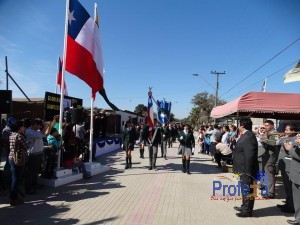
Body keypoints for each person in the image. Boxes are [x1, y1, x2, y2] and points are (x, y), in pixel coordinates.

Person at [233, 117, 258, 217]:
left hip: (246, 169)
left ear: (242, 125)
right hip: (242, 168)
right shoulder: (245, 135)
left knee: (248, 189)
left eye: (238, 124)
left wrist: (248, 171)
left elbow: (250, 155)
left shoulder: (248, 136)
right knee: (245, 189)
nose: (238, 126)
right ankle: (244, 206)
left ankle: (247, 211)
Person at [277, 124, 297, 213]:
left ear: (293, 131)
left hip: (289, 166)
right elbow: (276, 143)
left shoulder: (295, 139)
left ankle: (292, 206)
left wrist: (284, 140)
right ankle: (288, 203)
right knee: (286, 187)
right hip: (284, 165)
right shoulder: (286, 138)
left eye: (287, 130)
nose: (285, 131)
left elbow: (289, 149)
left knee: (290, 187)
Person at [8, 120, 28, 206]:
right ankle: (14, 199)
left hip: (11, 157)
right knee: (16, 179)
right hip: (18, 158)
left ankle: (14, 196)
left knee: (14, 177)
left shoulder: (11, 135)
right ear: (20, 127)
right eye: (23, 126)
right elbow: (26, 146)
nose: (24, 127)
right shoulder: (20, 136)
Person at [260, 119, 281, 199]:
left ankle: (270, 193)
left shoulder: (275, 133)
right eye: (265, 125)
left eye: (267, 125)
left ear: (272, 125)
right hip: (266, 155)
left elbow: (273, 143)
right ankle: (266, 190)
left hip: (271, 156)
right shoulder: (268, 133)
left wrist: (262, 139)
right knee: (265, 172)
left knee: (269, 172)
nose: (265, 127)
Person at [24, 118, 45, 195]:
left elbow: (43, 134)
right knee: (30, 172)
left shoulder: (37, 131)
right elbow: (42, 135)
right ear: (35, 124)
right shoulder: (28, 131)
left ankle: (34, 184)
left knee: (36, 171)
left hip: (39, 153)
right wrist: (45, 127)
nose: (40, 127)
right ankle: (28, 188)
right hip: (32, 154)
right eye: (39, 126)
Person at [284, 136, 300, 225]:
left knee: (298, 200)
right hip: (295, 175)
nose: (297, 137)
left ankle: (298, 220)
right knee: (297, 200)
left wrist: (290, 149)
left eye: (299, 136)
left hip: (298, 176)